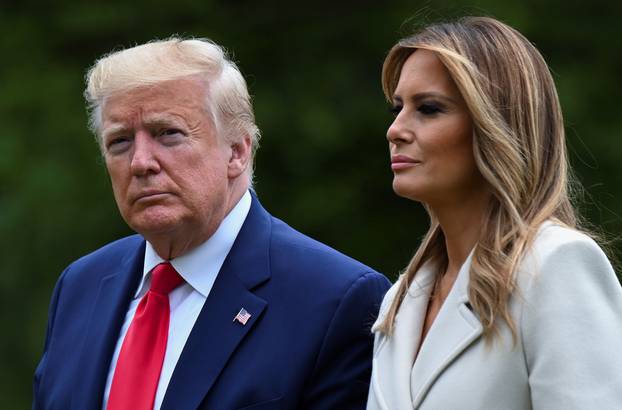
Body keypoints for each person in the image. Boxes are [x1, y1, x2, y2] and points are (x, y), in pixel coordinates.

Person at [33, 37, 390, 410]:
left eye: (167, 133)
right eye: (120, 141)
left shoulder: (335, 298)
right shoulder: (80, 285)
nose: (140, 162)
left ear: (237, 151)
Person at [367, 16, 622, 410]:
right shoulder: (398, 300)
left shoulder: (556, 266)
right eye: (397, 108)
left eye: (429, 108)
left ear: (496, 125)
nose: (395, 130)